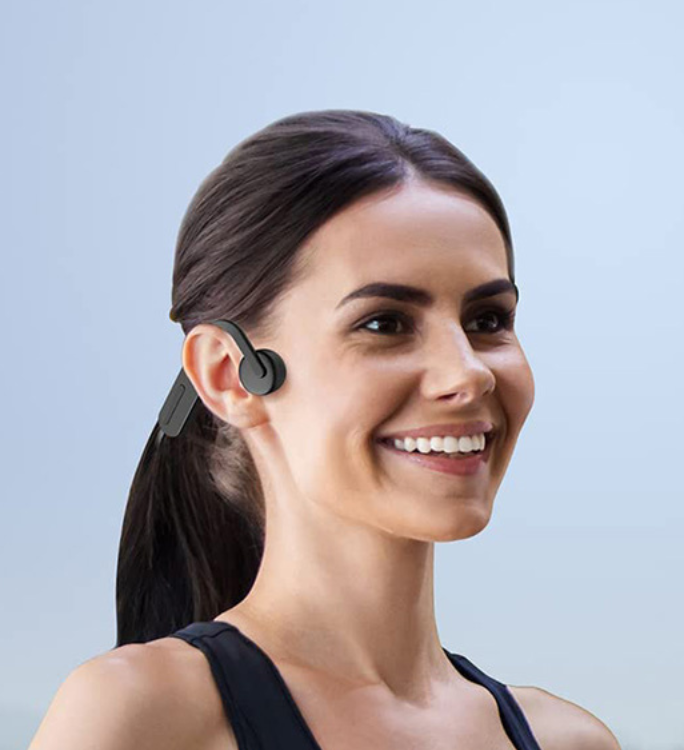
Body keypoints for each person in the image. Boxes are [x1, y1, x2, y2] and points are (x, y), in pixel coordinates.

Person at [30, 111, 619, 749]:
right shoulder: (144, 717)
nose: (468, 373)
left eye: (488, 319)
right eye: (385, 323)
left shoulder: (570, 740)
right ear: (230, 375)